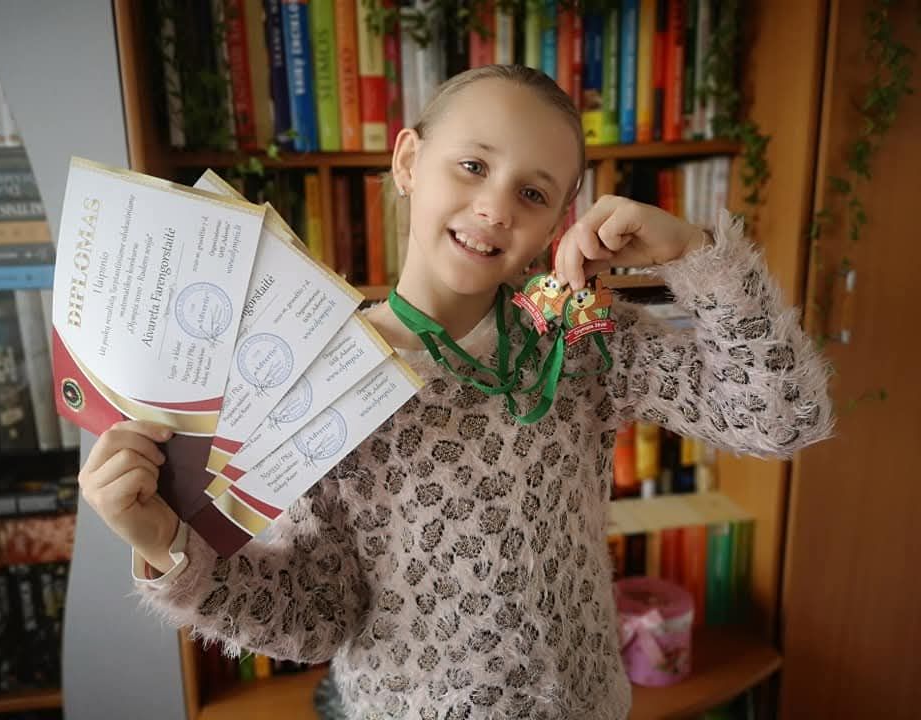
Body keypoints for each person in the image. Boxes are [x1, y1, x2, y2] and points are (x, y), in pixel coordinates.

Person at [79, 65, 833, 720]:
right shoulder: (318, 379)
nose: (496, 208)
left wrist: (692, 254)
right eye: (473, 166)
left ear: (558, 220)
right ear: (409, 160)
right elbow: (318, 617)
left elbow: (781, 418)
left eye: (533, 193)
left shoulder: (585, 341)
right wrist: (165, 546)